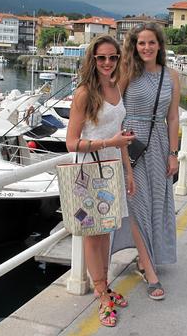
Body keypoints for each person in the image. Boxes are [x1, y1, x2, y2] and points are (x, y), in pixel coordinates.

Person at [66, 35, 135, 327]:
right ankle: (100, 293)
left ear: (119, 59)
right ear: (92, 60)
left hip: (111, 170)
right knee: (94, 234)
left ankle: (104, 286)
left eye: (112, 57)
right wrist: (108, 141)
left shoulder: (117, 87)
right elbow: (71, 143)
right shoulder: (84, 93)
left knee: (105, 230)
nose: (107, 63)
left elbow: (121, 137)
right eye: (101, 58)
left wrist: (128, 172)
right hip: (89, 171)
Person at [112, 23, 180, 300]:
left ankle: (145, 258)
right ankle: (150, 272)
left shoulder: (171, 76)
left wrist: (173, 153)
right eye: (141, 43)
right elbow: (114, 108)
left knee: (157, 204)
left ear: (160, 46)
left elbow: (173, 117)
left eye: (151, 42)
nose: (147, 48)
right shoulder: (128, 72)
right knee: (137, 204)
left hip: (160, 143)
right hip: (132, 145)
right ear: (134, 46)